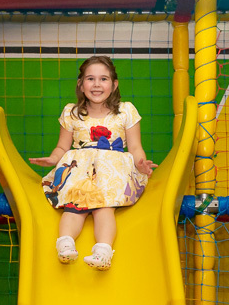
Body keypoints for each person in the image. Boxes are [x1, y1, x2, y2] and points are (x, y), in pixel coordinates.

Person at [30, 55, 157, 271]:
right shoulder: (72, 112)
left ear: (114, 84)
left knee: (104, 208)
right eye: (90, 79)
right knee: (74, 207)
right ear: (81, 84)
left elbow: (135, 147)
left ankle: (103, 251)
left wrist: (140, 163)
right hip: (81, 170)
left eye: (103, 79)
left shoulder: (126, 110)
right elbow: (62, 146)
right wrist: (53, 159)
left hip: (112, 171)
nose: (97, 84)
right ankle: (65, 244)